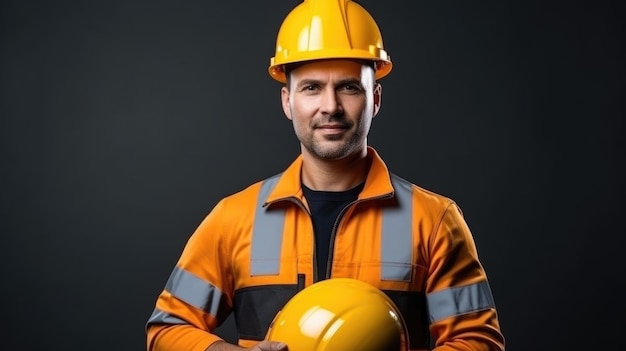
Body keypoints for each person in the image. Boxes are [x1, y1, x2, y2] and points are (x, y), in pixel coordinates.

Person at [145, 0, 506, 350]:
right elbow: (167, 329)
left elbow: (479, 342)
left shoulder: (434, 221)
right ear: (287, 101)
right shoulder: (233, 219)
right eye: (312, 87)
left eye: (349, 87)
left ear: (375, 99)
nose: (330, 106)